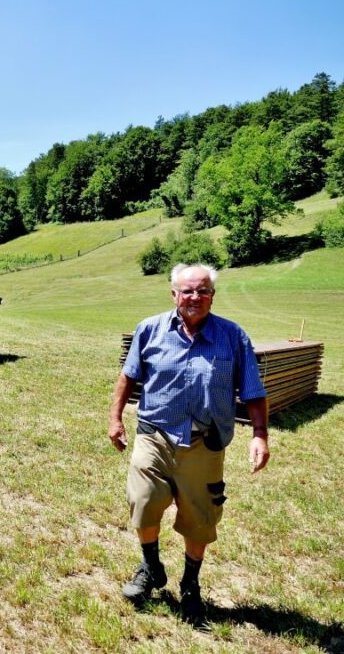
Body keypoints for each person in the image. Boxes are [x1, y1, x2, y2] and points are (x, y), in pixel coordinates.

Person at [109, 263, 270, 624]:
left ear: (213, 295)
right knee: (143, 502)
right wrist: (115, 417)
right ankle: (151, 568)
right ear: (174, 295)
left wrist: (259, 434)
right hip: (154, 435)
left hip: (204, 444)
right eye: (187, 291)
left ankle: (190, 585)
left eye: (203, 291)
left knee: (200, 519)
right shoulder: (149, 329)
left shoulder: (233, 337)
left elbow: (255, 392)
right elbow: (128, 377)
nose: (195, 297)